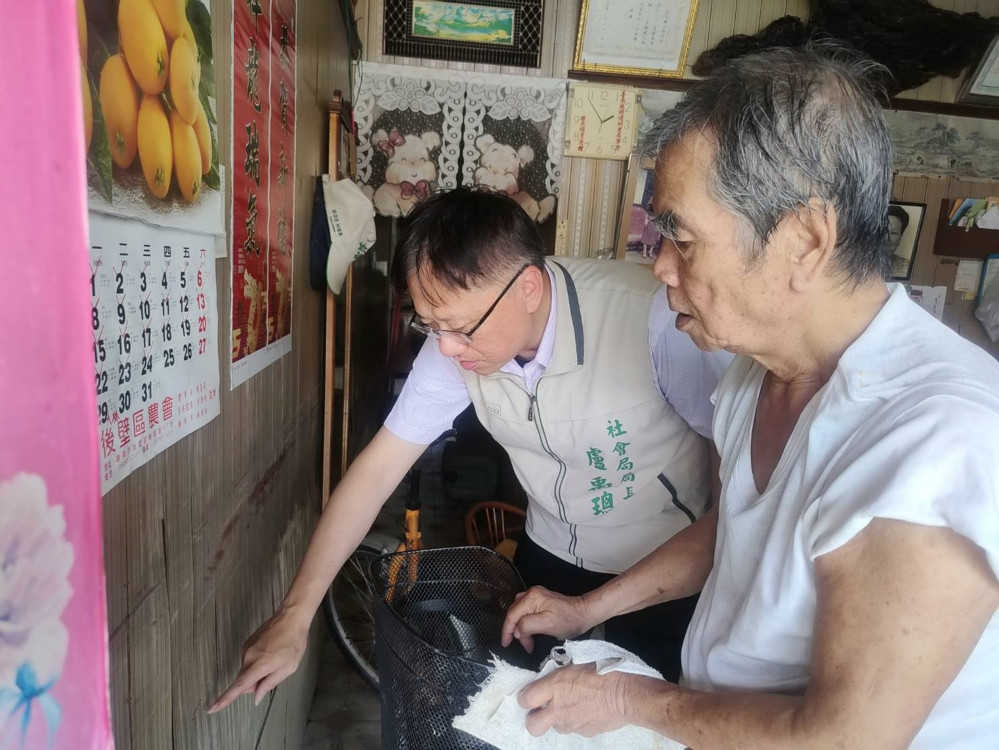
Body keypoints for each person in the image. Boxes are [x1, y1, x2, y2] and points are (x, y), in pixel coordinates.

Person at [502, 45, 999, 749]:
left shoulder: (934, 435)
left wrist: (625, 697)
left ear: (803, 241)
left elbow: (842, 740)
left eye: (680, 235)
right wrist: (588, 609)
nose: (661, 267)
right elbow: (739, 532)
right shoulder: (753, 375)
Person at [208, 189, 732, 712]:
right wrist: (295, 615)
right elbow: (379, 468)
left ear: (528, 287)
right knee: (529, 715)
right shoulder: (452, 343)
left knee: (631, 727)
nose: (446, 349)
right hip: (547, 559)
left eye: (459, 328)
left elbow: (730, 506)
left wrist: (591, 608)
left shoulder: (655, 321)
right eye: (430, 326)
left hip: (663, 571)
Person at [888, 204, 911, 277]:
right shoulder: (856, 265)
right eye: (882, 231)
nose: (886, 238)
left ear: (900, 239)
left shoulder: (907, 267)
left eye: (894, 233)